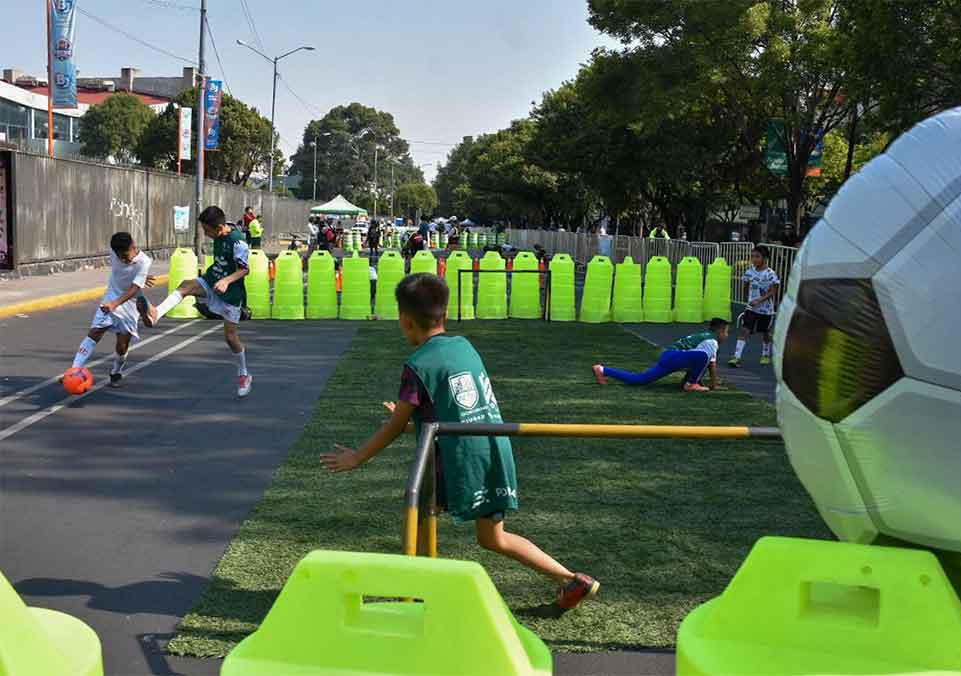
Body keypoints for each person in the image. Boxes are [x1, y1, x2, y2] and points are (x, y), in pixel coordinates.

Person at [320, 273, 600, 610]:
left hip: (458, 457)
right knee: (493, 538)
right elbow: (456, 409)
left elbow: (396, 425)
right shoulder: (464, 346)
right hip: (494, 448)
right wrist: (417, 419)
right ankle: (571, 579)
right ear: (445, 316)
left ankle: (420, 594)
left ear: (405, 320)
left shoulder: (418, 365)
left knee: (420, 515)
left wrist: (358, 457)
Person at [137, 205, 253, 397]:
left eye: (207, 231)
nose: (205, 234)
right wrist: (218, 278)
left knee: (230, 338)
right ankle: (156, 313)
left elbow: (244, 269)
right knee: (186, 286)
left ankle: (244, 374)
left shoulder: (238, 242)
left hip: (231, 292)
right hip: (212, 280)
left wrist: (226, 281)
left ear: (218, 228)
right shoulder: (221, 230)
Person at [68, 232, 154, 388]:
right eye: (120, 256)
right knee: (95, 332)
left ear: (133, 246)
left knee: (122, 346)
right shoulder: (115, 251)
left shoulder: (144, 262)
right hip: (110, 297)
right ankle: (74, 371)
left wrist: (116, 303)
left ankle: (116, 371)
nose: (123, 260)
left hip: (129, 304)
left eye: (126, 256)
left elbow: (134, 289)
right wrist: (112, 302)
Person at [591, 318, 729, 392]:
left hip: (670, 356)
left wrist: (712, 383)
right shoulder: (712, 342)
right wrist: (713, 385)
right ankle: (691, 384)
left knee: (639, 380)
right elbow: (711, 366)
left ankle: (602, 370)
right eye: (726, 332)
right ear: (720, 332)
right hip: (674, 357)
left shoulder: (705, 336)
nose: (727, 336)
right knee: (704, 357)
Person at [729, 244, 780, 368]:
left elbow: (773, 291)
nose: (754, 259)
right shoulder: (749, 271)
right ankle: (737, 356)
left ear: (765, 258)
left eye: (757, 256)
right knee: (744, 330)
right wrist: (747, 299)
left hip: (766, 310)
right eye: (752, 256)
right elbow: (746, 286)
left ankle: (765, 354)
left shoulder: (770, 274)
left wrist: (759, 300)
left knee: (766, 332)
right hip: (751, 308)